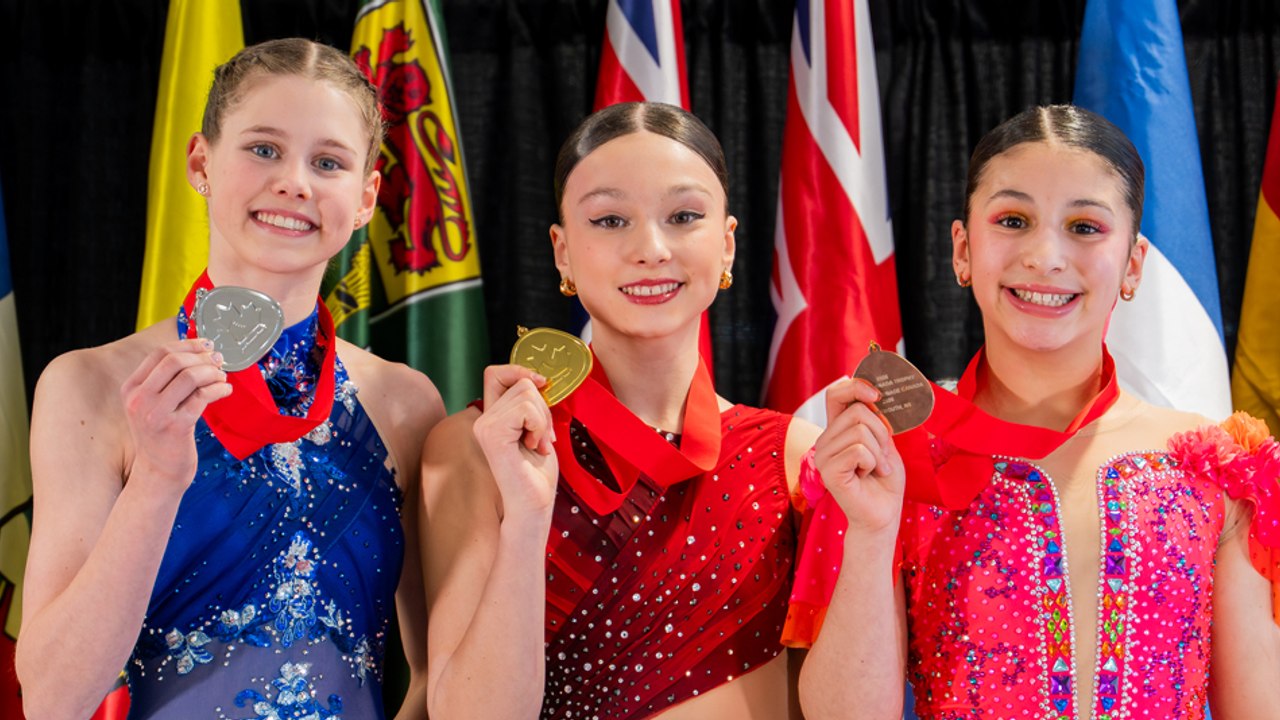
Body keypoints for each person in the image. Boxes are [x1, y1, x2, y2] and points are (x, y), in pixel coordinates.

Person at [791, 104, 1280, 719]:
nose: (1046, 256)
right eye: (1014, 220)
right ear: (963, 250)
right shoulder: (891, 456)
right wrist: (869, 531)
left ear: (1133, 264)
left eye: (1084, 227)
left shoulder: (1216, 468)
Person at [15, 38, 443, 720]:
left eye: (327, 162)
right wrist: (156, 480)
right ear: (200, 161)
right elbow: (52, 698)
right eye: (264, 149)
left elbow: (438, 681)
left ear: (364, 198)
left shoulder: (406, 403)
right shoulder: (92, 386)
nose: (295, 182)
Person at [420, 101, 820, 719]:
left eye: (684, 216)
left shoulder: (797, 456)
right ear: (561, 251)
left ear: (728, 244)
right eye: (609, 220)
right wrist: (528, 518)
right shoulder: (474, 445)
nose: (650, 248)